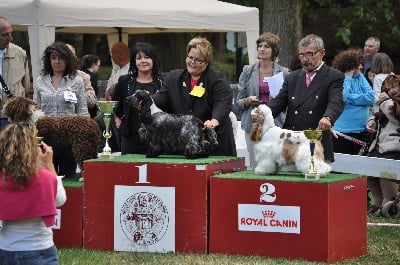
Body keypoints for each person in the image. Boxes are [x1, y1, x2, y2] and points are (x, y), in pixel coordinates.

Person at [267, 34, 345, 162]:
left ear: (322, 53)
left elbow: (336, 101)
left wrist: (328, 117)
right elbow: (278, 103)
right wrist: (261, 112)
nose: (304, 59)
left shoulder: (334, 76)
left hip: (317, 140)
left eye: (309, 54)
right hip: (291, 141)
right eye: (301, 55)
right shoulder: (292, 77)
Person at [154, 37, 236, 156]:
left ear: (206, 62)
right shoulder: (173, 77)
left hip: (213, 142)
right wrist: (146, 100)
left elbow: (222, 102)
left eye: (198, 60)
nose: (192, 62)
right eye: (190, 57)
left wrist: (214, 120)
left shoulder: (217, 79)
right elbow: (161, 98)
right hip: (183, 141)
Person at [0, 123, 66, 265]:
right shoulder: (46, 178)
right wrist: (49, 165)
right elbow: (60, 199)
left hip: (5, 247)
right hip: (39, 248)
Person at [33, 41, 89, 178]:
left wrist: (84, 135)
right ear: (49, 60)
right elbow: (35, 110)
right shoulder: (40, 81)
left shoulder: (77, 81)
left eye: (61, 57)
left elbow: (82, 110)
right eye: (53, 57)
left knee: (68, 178)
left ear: (68, 59)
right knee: (46, 179)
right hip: (45, 138)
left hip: (68, 138)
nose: (57, 61)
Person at [236, 32, 289, 169]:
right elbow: (238, 101)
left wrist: (277, 100)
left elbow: (289, 102)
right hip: (253, 123)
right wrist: (247, 100)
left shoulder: (284, 72)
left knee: (276, 161)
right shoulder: (247, 71)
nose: (262, 49)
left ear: (274, 51)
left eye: (266, 46)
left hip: (275, 123)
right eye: (260, 46)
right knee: (256, 162)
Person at [112, 42, 163, 154]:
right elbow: (115, 104)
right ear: (134, 62)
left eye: (147, 57)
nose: (143, 61)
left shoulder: (163, 82)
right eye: (139, 58)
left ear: (153, 59)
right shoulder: (124, 81)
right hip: (130, 139)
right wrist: (118, 119)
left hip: (158, 139)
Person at [366, 74, 400, 216]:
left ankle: (390, 203)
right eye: (388, 88)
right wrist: (372, 120)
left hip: (394, 149)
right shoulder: (388, 103)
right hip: (379, 147)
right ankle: (378, 204)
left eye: (394, 87)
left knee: (385, 171)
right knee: (369, 172)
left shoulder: (390, 103)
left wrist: (385, 101)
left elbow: (395, 117)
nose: (391, 90)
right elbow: (382, 114)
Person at [331, 48, 375, 154]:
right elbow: (341, 97)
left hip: (361, 130)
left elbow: (371, 98)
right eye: (358, 65)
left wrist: (351, 98)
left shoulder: (360, 77)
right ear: (350, 67)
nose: (361, 67)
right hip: (342, 132)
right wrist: (348, 77)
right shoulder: (338, 78)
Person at [0, 17, 30, 129]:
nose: (10, 38)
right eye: (5, 35)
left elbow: (26, 86)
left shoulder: (20, 54)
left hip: (12, 117)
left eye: (11, 34)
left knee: (12, 146)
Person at [66, 44, 98, 118]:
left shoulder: (83, 76)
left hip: (79, 122)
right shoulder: (50, 78)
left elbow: (92, 101)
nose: (66, 59)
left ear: (74, 58)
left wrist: (75, 94)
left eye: (70, 55)